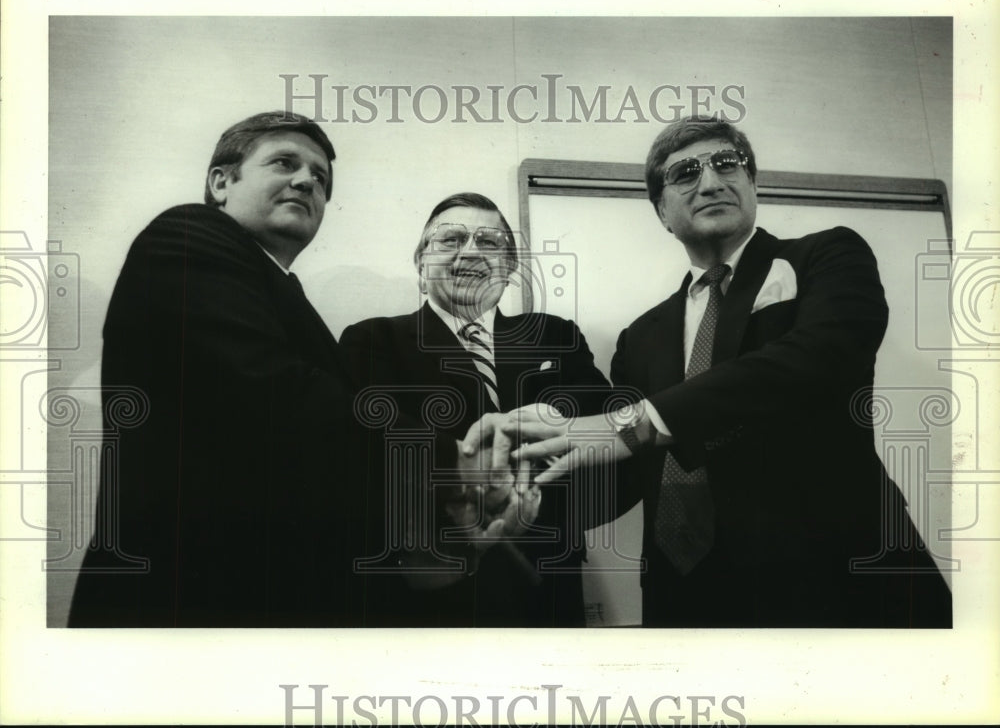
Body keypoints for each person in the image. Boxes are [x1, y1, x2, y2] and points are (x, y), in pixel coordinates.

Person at [483, 115, 953, 628]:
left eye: (727, 164)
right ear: (661, 210)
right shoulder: (640, 338)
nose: (710, 182)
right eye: (685, 173)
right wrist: (533, 507)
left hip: (841, 582)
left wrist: (637, 421)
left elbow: (817, 357)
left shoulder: (828, 255)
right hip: (688, 600)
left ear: (752, 182)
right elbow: (629, 471)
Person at [67, 113, 513, 627]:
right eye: (285, 162)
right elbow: (281, 398)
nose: (307, 180)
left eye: (320, 178)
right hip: (183, 603)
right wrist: (452, 460)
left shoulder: (280, 292)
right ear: (220, 182)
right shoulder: (186, 236)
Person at [339, 193, 613, 626]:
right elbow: (369, 444)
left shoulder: (553, 334)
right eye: (450, 239)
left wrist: (529, 424)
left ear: (508, 267)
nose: (470, 251)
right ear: (420, 262)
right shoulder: (373, 341)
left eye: (489, 242)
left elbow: (599, 410)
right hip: (430, 581)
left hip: (547, 575)